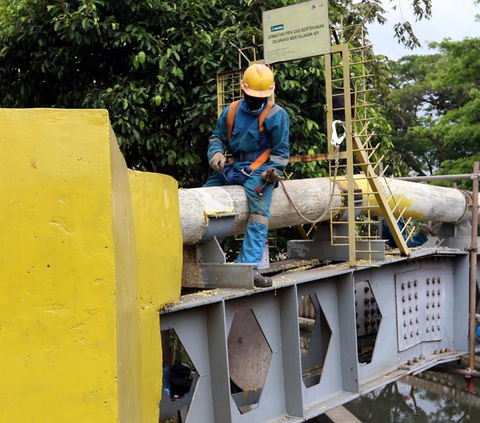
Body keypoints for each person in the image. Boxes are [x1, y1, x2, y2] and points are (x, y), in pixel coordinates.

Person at [204, 64, 290, 288]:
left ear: (269, 93)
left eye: (260, 96)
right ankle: (200, 258)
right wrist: (216, 155)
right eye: (252, 95)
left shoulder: (277, 115)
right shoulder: (231, 111)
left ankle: (248, 268)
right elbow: (217, 138)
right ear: (243, 90)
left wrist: (274, 173)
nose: (255, 100)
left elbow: (280, 153)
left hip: (260, 171)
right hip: (232, 166)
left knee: (259, 214)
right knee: (204, 197)